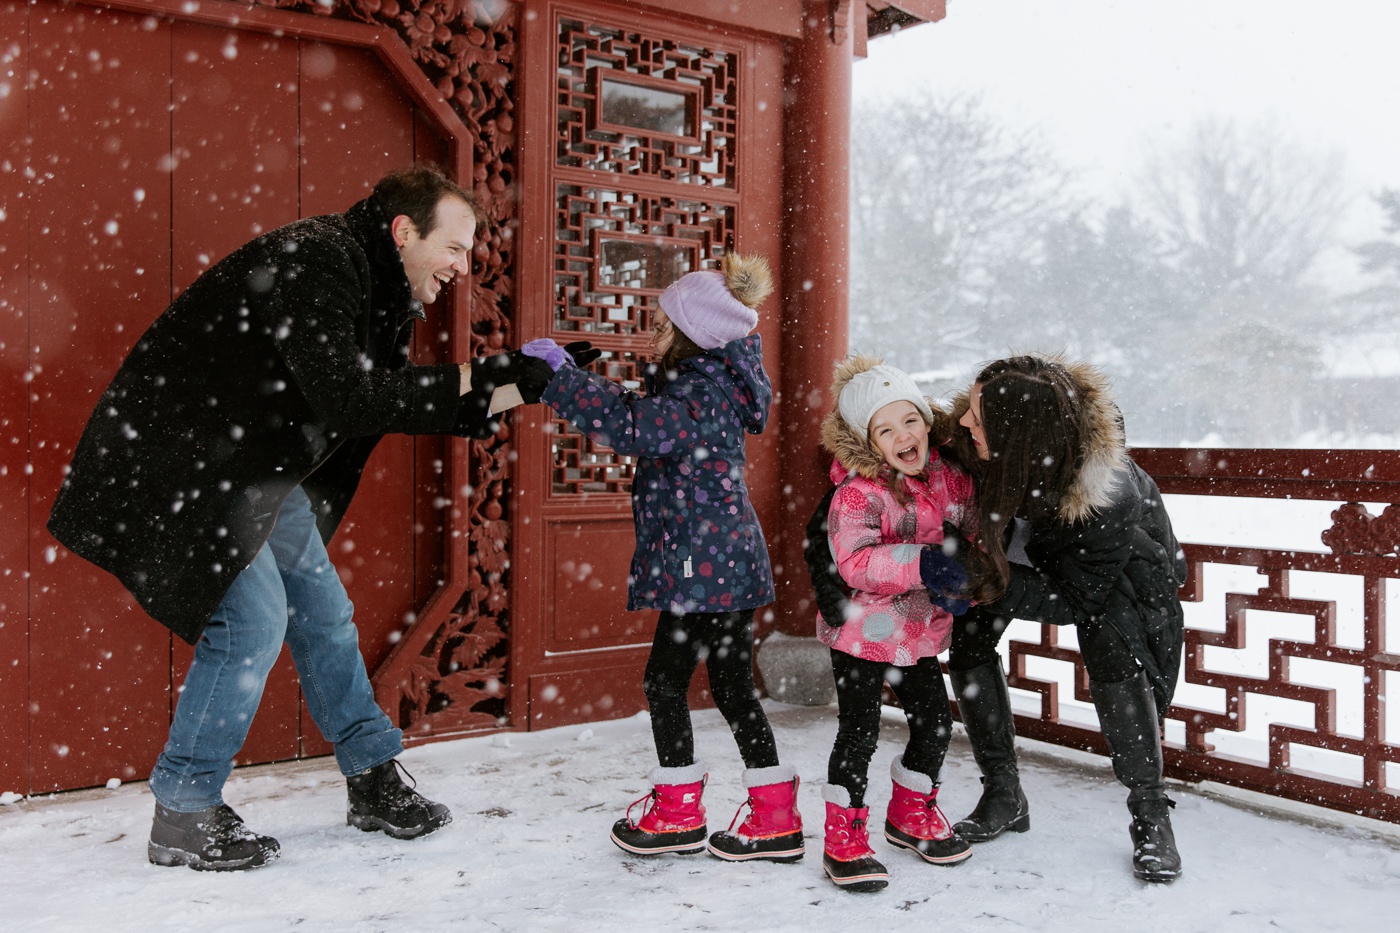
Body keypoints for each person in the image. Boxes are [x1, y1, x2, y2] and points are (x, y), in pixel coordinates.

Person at [47, 164, 567, 871]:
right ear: (403, 231)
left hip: (252, 468)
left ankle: (371, 776)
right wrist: (492, 376)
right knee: (250, 622)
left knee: (322, 609)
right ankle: (185, 807)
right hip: (186, 462)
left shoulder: (380, 289)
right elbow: (351, 398)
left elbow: (381, 400)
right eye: (454, 246)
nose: (461, 265)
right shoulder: (317, 259)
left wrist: (512, 388)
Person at [806, 353, 1187, 884]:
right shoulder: (966, 439)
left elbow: (1079, 599)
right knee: (969, 643)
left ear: (1017, 433)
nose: (962, 422)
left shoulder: (1105, 494)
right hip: (1002, 545)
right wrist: (838, 590)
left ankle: (1150, 813)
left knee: (1111, 640)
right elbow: (853, 505)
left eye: (978, 418)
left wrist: (975, 575)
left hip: (1109, 567)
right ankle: (1005, 793)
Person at [522, 253, 803, 864]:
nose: (656, 332)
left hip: (699, 568)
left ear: (691, 334)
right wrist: (574, 374)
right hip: (725, 562)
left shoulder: (698, 394)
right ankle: (775, 815)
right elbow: (642, 415)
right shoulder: (714, 385)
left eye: (663, 322)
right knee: (731, 688)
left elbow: (632, 427)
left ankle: (678, 811)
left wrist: (559, 380)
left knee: (664, 682)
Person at [812, 356, 978, 892]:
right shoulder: (857, 493)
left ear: (927, 421)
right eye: (885, 430)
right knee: (858, 731)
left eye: (909, 420)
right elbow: (854, 562)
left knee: (934, 724)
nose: (902, 436)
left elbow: (972, 531)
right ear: (869, 443)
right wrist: (920, 562)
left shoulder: (952, 479)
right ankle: (844, 833)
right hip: (864, 630)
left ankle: (910, 813)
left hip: (919, 632)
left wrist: (962, 573)